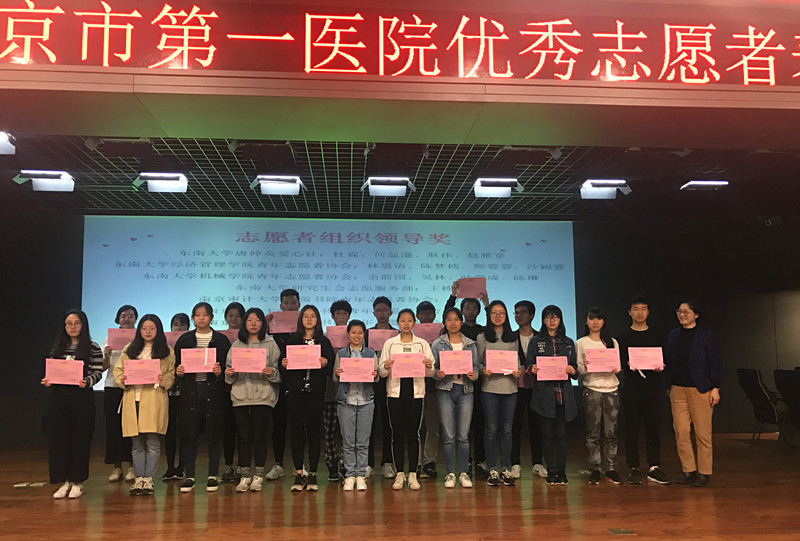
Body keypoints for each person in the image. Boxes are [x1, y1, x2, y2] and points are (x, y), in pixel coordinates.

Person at [42, 309, 104, 499]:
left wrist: (87, 381)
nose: (73, 327)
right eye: (69, 323)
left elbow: (98, 372)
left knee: (80, 439)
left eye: (77, 323)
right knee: (59, 440)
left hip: (81, 399)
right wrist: (48, 380)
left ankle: (77, 481)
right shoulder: (57, 347)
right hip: (59, 398)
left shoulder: (92, 347)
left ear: (83, 325)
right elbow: (52, 370)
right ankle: (64, 481)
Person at [113, 314, 175, 496]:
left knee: (152, 441)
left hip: (154, 399)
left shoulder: (167, 351)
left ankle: (149, 479)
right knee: (137, 443)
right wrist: (123, 379)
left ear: (158, 330)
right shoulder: (130, 349)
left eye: (152, 328)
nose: (148, 332)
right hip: (133, 399)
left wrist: (163, 379)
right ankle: (139, 478)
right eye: (144, 328)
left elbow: (171, 374)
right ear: (139, 330)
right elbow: (118, 370)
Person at [174, 302, 232, 493]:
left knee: (214, 434)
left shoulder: (221, 340)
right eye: (197, 315)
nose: (201, 318)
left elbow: (229, 368)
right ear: (193, 318)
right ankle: (190, 476)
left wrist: (220, 373)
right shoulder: (184, 339)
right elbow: (174, 368)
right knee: (188, 435)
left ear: (211, 317)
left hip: (213, 392)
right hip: (190, 392)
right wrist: (178, 372)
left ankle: (212, 475)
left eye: (205, 314)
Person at [664, 299, 720, 488]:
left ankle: (704, 473)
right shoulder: (673, 336)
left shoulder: (705, 336)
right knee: (681, 432)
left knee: (703, 433)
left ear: (696, 314)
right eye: (679, 311)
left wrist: (715, 387)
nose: (682, 314)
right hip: (677, 389)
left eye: (686, 311)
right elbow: (667, 361)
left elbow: (714, 362)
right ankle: (689, 470)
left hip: (700, 389)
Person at [279, 305, 335, 492]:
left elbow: (331, 370)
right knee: (296, 432)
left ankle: (312, 473)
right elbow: (282, 367)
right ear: (300, 319)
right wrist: (284, 364)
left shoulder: (324, 342)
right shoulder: (293, 341)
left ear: (318, 319)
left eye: (313, 316)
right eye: (306, 316)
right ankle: (298, 472)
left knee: (313, 432)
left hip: (315, 392)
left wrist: (325, 363)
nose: (309, 319)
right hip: (295, 392)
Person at [225, 308, 281, 493]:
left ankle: (258, 475)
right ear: (244, 323)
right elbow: (228, 373)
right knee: (244, 437)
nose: (254, 323)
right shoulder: (237, 345)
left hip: (263, 396)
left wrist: (271, 372)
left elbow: (279, 372)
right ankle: (244, 475)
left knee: (259, 436)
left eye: (257, 320)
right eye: (250, 320)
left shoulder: (271, 344)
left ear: (263, 323)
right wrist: (230, 374)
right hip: (241, 395)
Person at [379, 309, 435, 490]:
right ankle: (399, 474)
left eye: (409, 320)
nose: (406, 324)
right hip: (395, 394)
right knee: (397, 434)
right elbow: (381, 372)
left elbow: (431, 372)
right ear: (398, 322)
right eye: (402, 320)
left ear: (414, 323)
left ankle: (412, 473)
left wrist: (429, 365)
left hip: (415, 394)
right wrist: (386, 366)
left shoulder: (422, 344)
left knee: (413, 434)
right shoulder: (390, 343)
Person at [616, 295, 669, 485]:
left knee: (653, 428)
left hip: (654, 388)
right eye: (636, 309)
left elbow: (664, 359)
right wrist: (626, 364)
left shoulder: (658, 336)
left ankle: (654, 466)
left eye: (643, 309)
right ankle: (634, 467)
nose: (640, 312)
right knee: (631, 429)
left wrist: (660, 365)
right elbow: (618, 363)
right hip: (632, 388)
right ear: (629, 312)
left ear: (648, 312)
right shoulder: (622, 338)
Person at [525, 305, 578, 486]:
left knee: (561, 435)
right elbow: (528, 364)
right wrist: (532, 368)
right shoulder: (536, 341)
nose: (552, 320)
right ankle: (551, 470)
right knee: (547, 436)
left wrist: (573, 370)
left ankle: (561, 471)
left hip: (564, 395)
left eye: (555, 316)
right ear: (543, 320)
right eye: (548, 317)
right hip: (544, 396)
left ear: (560, 319)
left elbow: (575, 369)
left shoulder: (568, 342)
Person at [444, 284, 489, 476]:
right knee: (462, 428)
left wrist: (487, 304)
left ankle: (480, 460)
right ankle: (465, 462)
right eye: (467, 308)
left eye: (474, 308)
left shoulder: (482, 331)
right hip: (453, 384)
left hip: (476, 382)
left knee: (479, 422)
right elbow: (447, 315)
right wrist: (453, 296)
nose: (470, 311)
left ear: (478, 311)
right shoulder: (452, 332)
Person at [431, 307, 478, 489]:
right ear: (444, 322)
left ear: (461, 321)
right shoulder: (437, 343)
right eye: (449, 319)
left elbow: (476, 367)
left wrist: (474, 374)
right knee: (449, 435)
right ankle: (450, 473)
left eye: (456, 319)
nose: (453, 323)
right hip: (445, 390)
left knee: (463, 435)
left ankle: (464, 473)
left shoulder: (470, 344)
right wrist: (437, 373)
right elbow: (432, 369)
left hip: (466, 391)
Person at [477, 300, 521, 487]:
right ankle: (492, 469)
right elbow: (478, 362)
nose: (497, 316)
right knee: (491, 429)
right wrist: (483, 370)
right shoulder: (482, 337)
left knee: (506, 430)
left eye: (501, 313)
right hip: (490, 388)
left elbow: (517, 361)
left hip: (509, 388)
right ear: (489, 315)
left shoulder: (513, 337)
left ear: (506, 315)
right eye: (494, 313)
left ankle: (506, 468)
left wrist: (518, 370)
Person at [576, 307, 622, 485]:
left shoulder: (612, 342)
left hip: (611, 389)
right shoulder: (581, 343)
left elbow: (618, 366)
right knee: (593, 432)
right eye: (592, 319)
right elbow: (579, 369)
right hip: (592, 389)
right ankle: (595, 468)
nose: (595, 322)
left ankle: (611, 468)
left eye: (599, 319)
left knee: (611, 432)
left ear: (603, 322)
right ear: (586, 321)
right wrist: (587, 366)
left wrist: (615, 367)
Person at [332, 320, 378, 491]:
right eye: (353, 332)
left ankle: (361, 475)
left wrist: (374, 374)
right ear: (348, 334)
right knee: (348, 441)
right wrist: (338, 374)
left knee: (363, 442)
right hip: (346, 401)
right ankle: (350, 475)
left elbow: (377, 378)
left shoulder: (371, 353)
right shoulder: (341, 354)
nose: (357, 336)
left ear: (364, 334)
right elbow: (335, 378)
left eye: (360, 333)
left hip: (366, 401)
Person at [264, 288, 300, 481]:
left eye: (293, 303)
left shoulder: (305, 327)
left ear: (299, 305)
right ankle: (278, 464)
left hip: (299, 383)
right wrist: (266, 324)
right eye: (286, 303)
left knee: (298, 425)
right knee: (278, 425)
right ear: (280, 306)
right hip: (278, 382)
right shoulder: (272, 327)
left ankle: (298, 466)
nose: (290, 306)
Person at [510, 300, 546, 479]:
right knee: (514, 426)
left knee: (536, 426)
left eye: (523, 312)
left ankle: (537, 463)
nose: (519, 316)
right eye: (516, 312)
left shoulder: (541, 338)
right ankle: (514, 463)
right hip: (515, 387)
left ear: (532, 315)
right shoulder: (510, 337)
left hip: (537, 388)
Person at [102, 304, 137, 484]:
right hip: (112, 387)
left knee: (132, 428)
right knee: (113, 428)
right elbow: (102, 368)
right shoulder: (109, 339)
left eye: (130, 316)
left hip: (134, 388)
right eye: (123, 316)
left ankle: (132, 465)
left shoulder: (140, 339)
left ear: (135, 319)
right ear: (118, 319)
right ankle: (117, 467)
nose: (127, 319)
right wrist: (107, 356)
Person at [368, 296, 396, 479]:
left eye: (385, 310)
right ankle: (368, 463)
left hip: (391, 383)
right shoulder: (366, 333)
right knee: (369, 424)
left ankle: (387, 462)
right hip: (370, 383)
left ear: (391, 312)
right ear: (373, 313)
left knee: (388, 424)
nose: (382, 313)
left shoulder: (397, 334)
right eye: (378, 310)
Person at [324, 299, 351, 482]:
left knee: (346, 430)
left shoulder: (354, 335)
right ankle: (331, 462)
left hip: (348, 389)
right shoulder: (324, 337)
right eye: (338, 313)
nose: (341, 316)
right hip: (329, 389)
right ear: (332, 316)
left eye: (344, 314)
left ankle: (345, 463)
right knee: (329, 430)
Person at [162, 313, 189, 481]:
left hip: (186, 392)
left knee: (184, 430)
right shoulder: (163, 345)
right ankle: (170, 466)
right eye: (175, 324)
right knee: (169, 430)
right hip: (168, 393)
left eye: (182, 325)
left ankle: (182, 466)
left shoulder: (191, 343)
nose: (178, 328)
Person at [221, 302, 245, 484]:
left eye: (237, 315)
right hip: (224, 389)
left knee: (242, 430)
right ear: (225, 318)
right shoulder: (219, 338)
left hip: (244, 388)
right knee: (227, 429)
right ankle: (228, 464)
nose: (234, 318)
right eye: (230, 315)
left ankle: (242, 466)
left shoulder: (248, 339)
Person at [416, 300, 439, 479]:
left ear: (434, 315)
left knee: (433, 427)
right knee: (415, 428)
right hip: (415, 386)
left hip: (434, 388)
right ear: (417, 316)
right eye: (423, 313)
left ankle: (430, 461)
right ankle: (416, 462)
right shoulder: (410, 336)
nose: (426, 316)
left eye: (429, 313)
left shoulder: (440, 336)